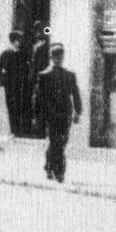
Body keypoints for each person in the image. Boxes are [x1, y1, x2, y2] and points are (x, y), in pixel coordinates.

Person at [33, 43, 83, 183]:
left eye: (60, 55)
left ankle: (49, 164)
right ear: (51, 57)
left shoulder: (70, 75)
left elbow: (76, 94)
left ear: (63, 57)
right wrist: (38, 117)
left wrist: (78, 111)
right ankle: (59, 171)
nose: (58, 58)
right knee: (57, 142)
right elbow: (38, 99)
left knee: (62, 141)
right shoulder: (44, 76)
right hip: (51, 114)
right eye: (55, 56)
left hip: (65, 114)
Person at [0, 31, 29, 138]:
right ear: (13, 41)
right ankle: (13, 130)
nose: (20, 42)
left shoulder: (23, 54)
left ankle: (19, 130)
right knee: (11, 107)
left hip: (21, 85)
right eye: (18, 40)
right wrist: (3, 80)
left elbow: (27, 69)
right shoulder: (6, 54)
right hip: (10, 86)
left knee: (20, 106)